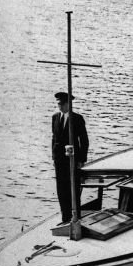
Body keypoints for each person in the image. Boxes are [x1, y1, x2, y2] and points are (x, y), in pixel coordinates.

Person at [51, 92, 89, 224]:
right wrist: (53, 157)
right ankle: (65, 217)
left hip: (72, 160)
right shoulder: (55, 117)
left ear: (68, 104)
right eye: (58, 104)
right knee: (61, 189)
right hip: (59, 161)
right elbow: (54, 138)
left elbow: (84, 140)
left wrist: (81, 160)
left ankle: (76, 217)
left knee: (73, 188)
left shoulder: (77, 118)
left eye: (62, 104)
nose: (59, 106)